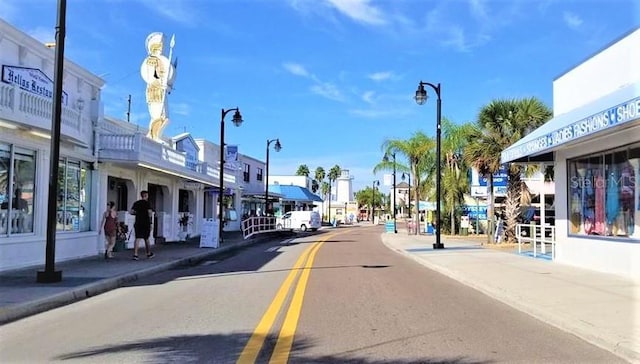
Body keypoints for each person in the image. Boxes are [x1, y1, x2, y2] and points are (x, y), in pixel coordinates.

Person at [130, 190, 155, 260]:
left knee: (137, 238)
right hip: (146, 222)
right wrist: (150, 223)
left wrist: (137, 213)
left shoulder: (136, 203)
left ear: (141, 195)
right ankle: (148, 253)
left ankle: (135, 254)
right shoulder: (147, 204)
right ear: (146, 196)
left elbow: (131, 212)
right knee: (146, 238)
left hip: (138, 222)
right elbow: (149, 213)